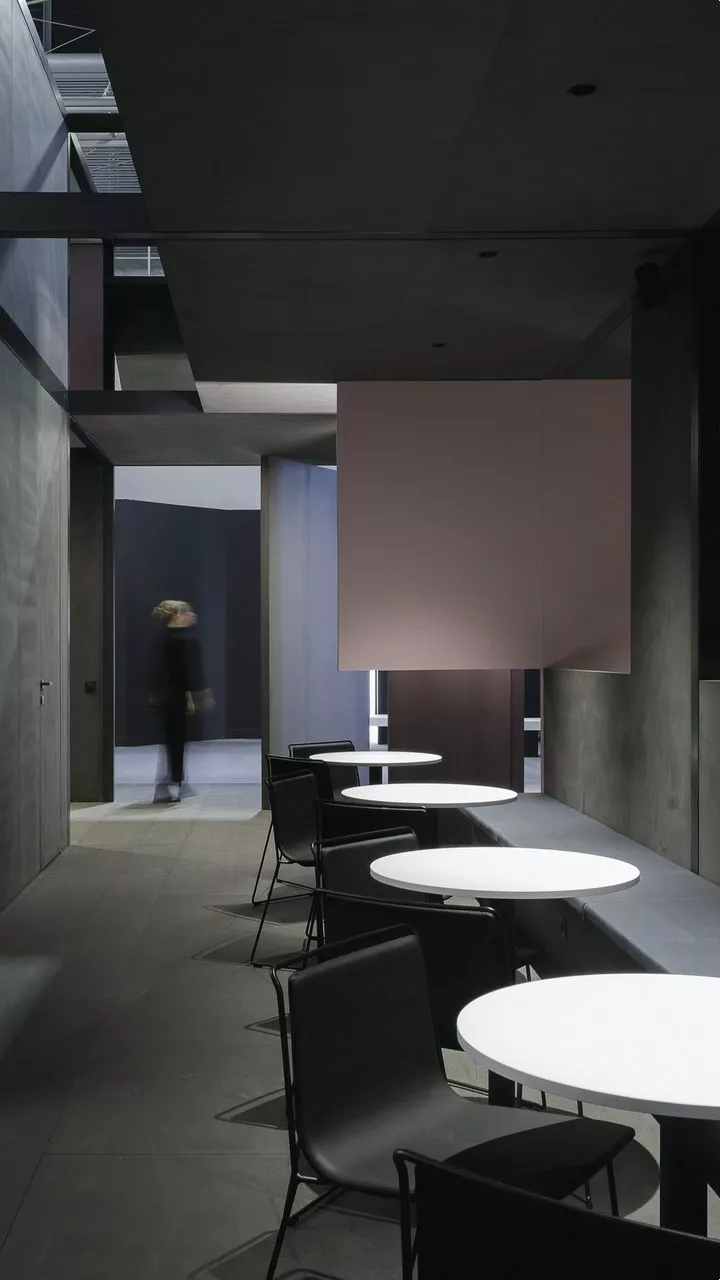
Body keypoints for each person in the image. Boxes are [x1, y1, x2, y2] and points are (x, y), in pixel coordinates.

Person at [149, 600, 213, 803]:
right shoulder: (183, 640)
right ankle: (170, 784)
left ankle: (174, 783)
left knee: (173, 741)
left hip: (166, 697)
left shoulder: (161, 638)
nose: (191, 615)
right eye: (186, 612)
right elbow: (191, 673)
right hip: (172, 699)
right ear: (176, 615)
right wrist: (202, 695)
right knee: (175, 742)